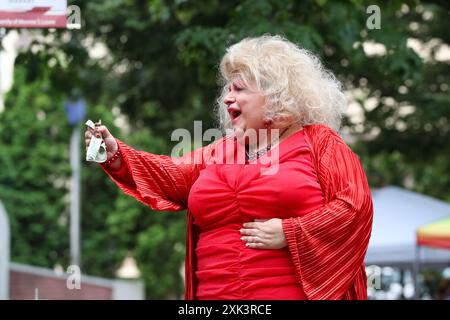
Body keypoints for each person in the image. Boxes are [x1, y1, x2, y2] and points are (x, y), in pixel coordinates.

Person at [85, 35, 373, 300]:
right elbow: (171, 175)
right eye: (228, 88)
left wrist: (291, 232)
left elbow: (355, 207)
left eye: (239, 89)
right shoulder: (219, 151)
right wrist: (115, 154)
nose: (226, 98)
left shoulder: (321, 143)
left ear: (276, 95)